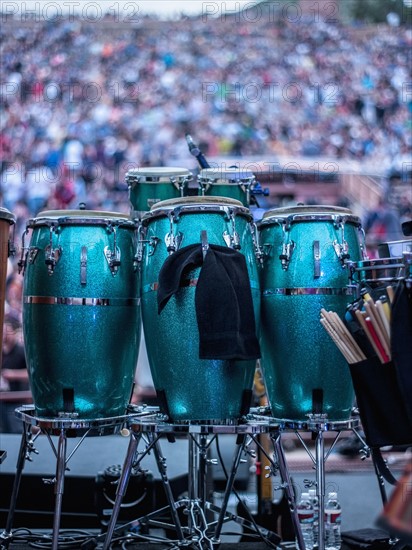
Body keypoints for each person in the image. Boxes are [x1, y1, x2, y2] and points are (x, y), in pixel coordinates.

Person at [0, 314, 31, 433]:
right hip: (2, 401)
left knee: (17, 433)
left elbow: (31, 375)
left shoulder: (22, 351)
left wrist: (13, 374)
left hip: (18, 402)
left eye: (7, 331)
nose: (4, 335)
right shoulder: (3, 352)